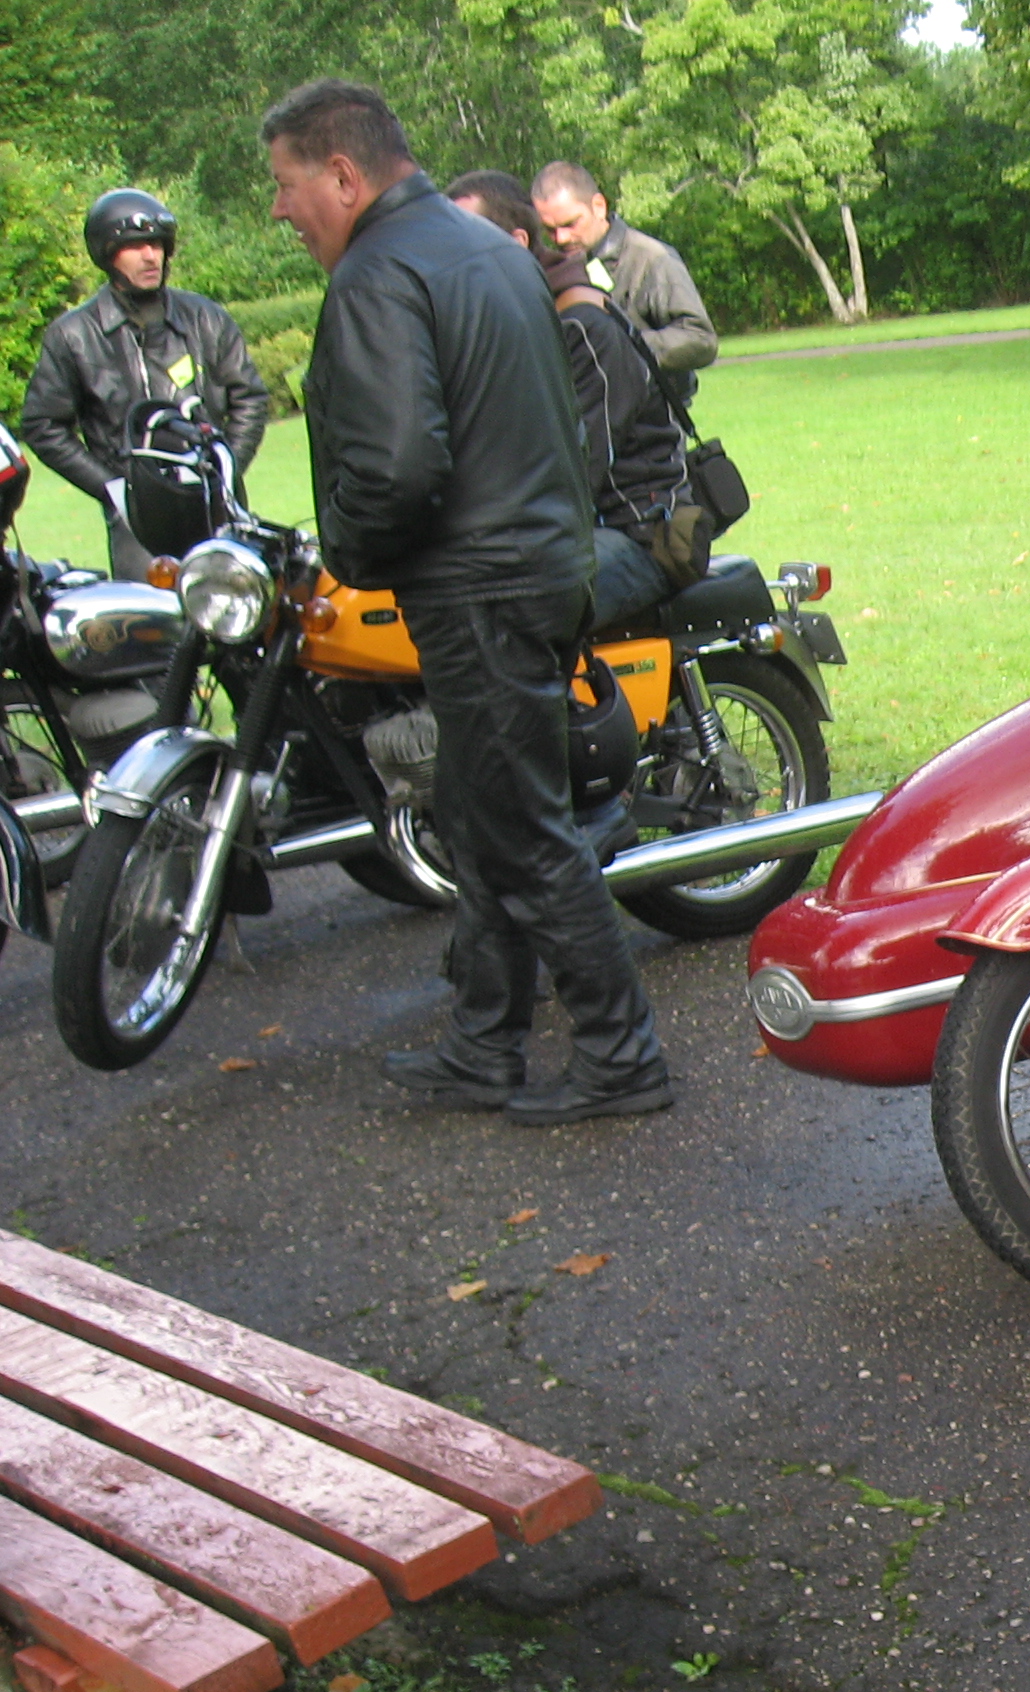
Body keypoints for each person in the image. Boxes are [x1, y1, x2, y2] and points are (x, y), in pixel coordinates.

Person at [264, 79, 671, 1125]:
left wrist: (350, 548)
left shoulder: (379, 271)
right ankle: (485, 1043)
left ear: (342, 174)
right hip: (535, 567)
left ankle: (622, 1056)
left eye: (287, 183)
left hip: (478, 584)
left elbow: (399, 466)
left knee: (523, 829)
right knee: (477, 812)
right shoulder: (488, 249)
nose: (278, 208)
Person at [445, 170, 685, 630]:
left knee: (507, 612)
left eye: (461, 243)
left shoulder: (582, 326)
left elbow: (576, 469)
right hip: (574, 531)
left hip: (639, 532)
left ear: (515, 243)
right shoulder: (516, 319)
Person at [18, 189, 270, 581]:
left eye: (156, 244)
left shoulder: (206, 318)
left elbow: (249, 397)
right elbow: (42, 424)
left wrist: (226, 469)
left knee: (240, 608)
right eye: (135, 246)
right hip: (136, 521)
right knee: (149, 616)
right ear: (106, 254)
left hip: (218, 508)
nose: (150, 256)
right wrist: (113, 488)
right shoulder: (73, 335)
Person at [530, 162, 718, 406]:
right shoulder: (550, 268)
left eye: (570, 224)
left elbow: (701, 339)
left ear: (599, 206)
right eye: (550, 230)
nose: (561, 238)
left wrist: (621, 346)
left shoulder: (650, 258)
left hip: (653, 417)